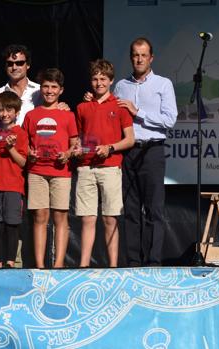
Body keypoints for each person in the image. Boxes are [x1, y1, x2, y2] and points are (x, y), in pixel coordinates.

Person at [114, 37, 178, 267]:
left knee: (153, 210)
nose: (139, 59)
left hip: (152, 150)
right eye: (135, 55)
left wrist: (137, 111)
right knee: (130, 210)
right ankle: (132, 261)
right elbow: (113, 117)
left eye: (143, 55)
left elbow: (170, 120)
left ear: (151, 58)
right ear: (131, 57)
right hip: (128, 152)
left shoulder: (163, 84)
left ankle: (152, 262)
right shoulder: (121, 86)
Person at [74, 59, 134, 267]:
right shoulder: (82, 107)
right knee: (87, 219)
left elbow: (130, 140)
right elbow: (79, 137)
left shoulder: (119, 107)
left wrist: (110, 148)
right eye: (95, 78)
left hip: (110, 168)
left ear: (111, 81)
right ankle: (83, 265)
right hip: (86, 168)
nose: (99, 83)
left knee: (110, 219)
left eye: (103, 79)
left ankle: (113, 266)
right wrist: (77, 148)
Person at [22, 68, 78, 268]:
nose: (49, 91)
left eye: (54, 87)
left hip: (61, 173)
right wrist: (29, 152)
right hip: (36, 172)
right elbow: (24, 143)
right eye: (46, 86)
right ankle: (40, 266)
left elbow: (75, 143)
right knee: (39, 217)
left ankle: (59, 265)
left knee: (60, 217)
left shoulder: (68, 115)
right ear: (40, 89)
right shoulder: (31, 115)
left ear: (61, 90)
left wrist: (68, 153)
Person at [0, 91, 28, 268]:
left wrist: (10, 148)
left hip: (13, 185)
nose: (5, 114)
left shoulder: (21, 133)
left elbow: (23, 162)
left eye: (9, 110)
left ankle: (10, 262)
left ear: (16, 112)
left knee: (12, 224)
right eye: (2, 110)